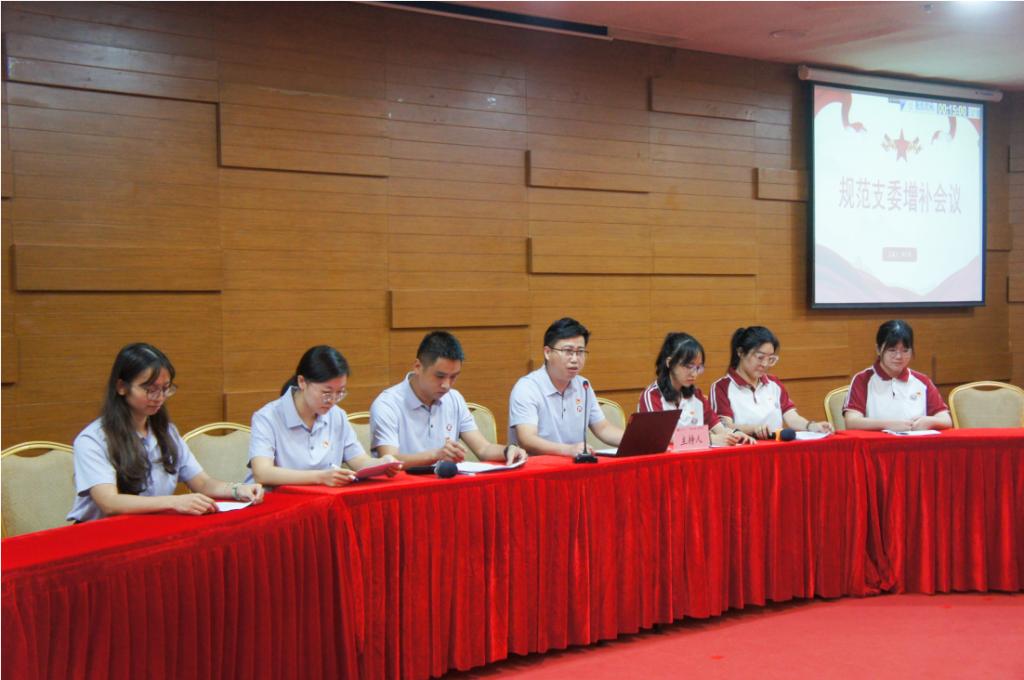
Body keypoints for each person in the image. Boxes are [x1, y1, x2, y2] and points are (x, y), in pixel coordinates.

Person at [67, 343, 264, 523]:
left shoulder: (166, 432)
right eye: (150, 389)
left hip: (150, 526)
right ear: (121, 387)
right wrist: (174, 502)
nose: (159, 397)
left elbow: (203, 483)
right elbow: (109, 502)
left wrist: (238, 489)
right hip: (102, 533)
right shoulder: (93, 439)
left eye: (165, 389)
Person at [249, 345, 401, 486]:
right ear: (302, 382)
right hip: (279, 499)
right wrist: (320, 477)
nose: (332, 400)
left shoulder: (337, 415)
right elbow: (262, 473)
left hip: (323, 500)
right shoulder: (267, 418)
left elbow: (359, 460)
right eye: (326, 393)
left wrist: (382, 463)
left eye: (340, 392)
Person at [370, 331, 527, 466]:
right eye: (440, 376)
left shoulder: (454, 399)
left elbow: (483, 449)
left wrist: (508, 450)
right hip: (404, 488)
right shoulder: (387, 404)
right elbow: (390, 460)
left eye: (453, 377)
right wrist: (435, 455)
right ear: (418, 367)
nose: (446, 385)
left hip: (445, 485)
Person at [508, 317, 624, 456]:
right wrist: (568, 450)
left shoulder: (583, 385)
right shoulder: (527, 388)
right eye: (568, 351)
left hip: (575, 465)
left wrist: (638, 441)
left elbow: (603, 429)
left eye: (580, 352)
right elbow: (527, 439)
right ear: (547, 353)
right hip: (538, 466)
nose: (575, 359)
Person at [710, 326, 833, 439]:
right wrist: (753, 429)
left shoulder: (774, 383)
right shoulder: (721, 387)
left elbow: (791, 417)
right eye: (760, 357)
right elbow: (724, 426)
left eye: (770, 359)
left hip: (776, 448)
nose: (765, 364)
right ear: (741, 352)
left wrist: (811, 426)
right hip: (744, 449)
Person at [638, 332, 755, 446]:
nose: (694, 374)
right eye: (688, 366)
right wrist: (709, 439)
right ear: (669, 363)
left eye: (698, 367)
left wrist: (735, 434)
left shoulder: (697, 395)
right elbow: (662, 437)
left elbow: (718, 428)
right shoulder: (651, 396)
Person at [843, 319, 952, 431]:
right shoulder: (862, 380)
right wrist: (889, 425)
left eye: (905, 350)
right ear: (878, 349)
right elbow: (851, 422)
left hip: (915, 440)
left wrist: (929, 421)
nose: (899, 356)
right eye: (892, 350)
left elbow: (946, 420)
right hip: (878, 441)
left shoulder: (922, 381)